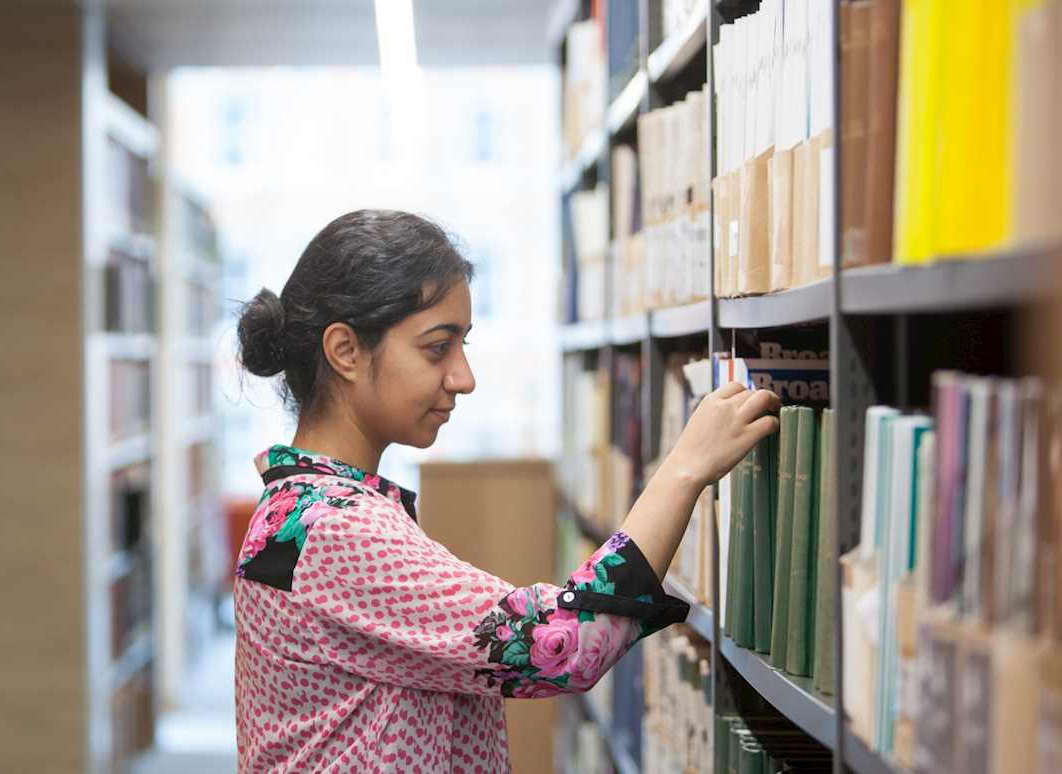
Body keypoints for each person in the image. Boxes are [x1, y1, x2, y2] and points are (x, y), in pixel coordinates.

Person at [232, 209, 780, 772]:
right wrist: (683, 470)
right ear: (346, 351)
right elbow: (557, 646)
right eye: (436, 348)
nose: (463, 378)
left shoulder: (299, 512)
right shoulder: (332, 529)